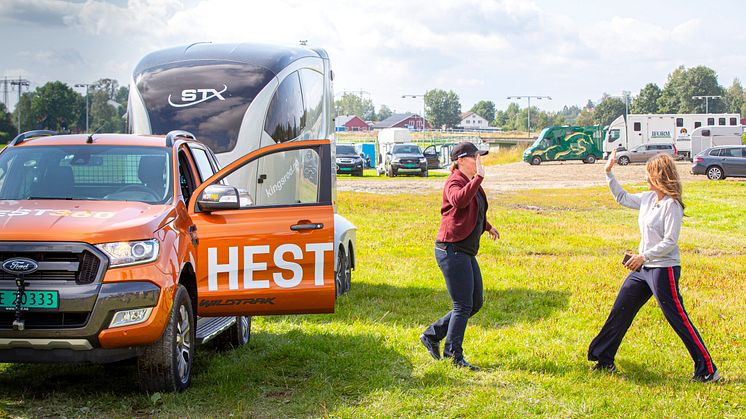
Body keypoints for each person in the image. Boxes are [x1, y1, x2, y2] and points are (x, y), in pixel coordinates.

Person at [588, 149, 720, 382]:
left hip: (663, 269)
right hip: (643, 269)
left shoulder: (672, 205)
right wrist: (608, 173)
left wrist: (644, 257)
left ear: (659, 177)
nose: (645, 179)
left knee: (677, 317)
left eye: (649, 175)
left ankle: (708, 370)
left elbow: (670, 242)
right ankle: (604, 359)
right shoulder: (648, 199)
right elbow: (622, 198)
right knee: (621, 309)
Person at [420, 142, 500, 371]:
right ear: (462, 159)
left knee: (474, 303)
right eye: (476, 157)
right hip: (450, 250)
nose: (480, 162)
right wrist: (478, 179)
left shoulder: (468, 181)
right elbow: (459, 201)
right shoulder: (454, 181)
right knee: (463, 304)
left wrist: (487, 226)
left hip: (463, 251)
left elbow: (474, 208)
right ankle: (454, 355)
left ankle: (432, 335)